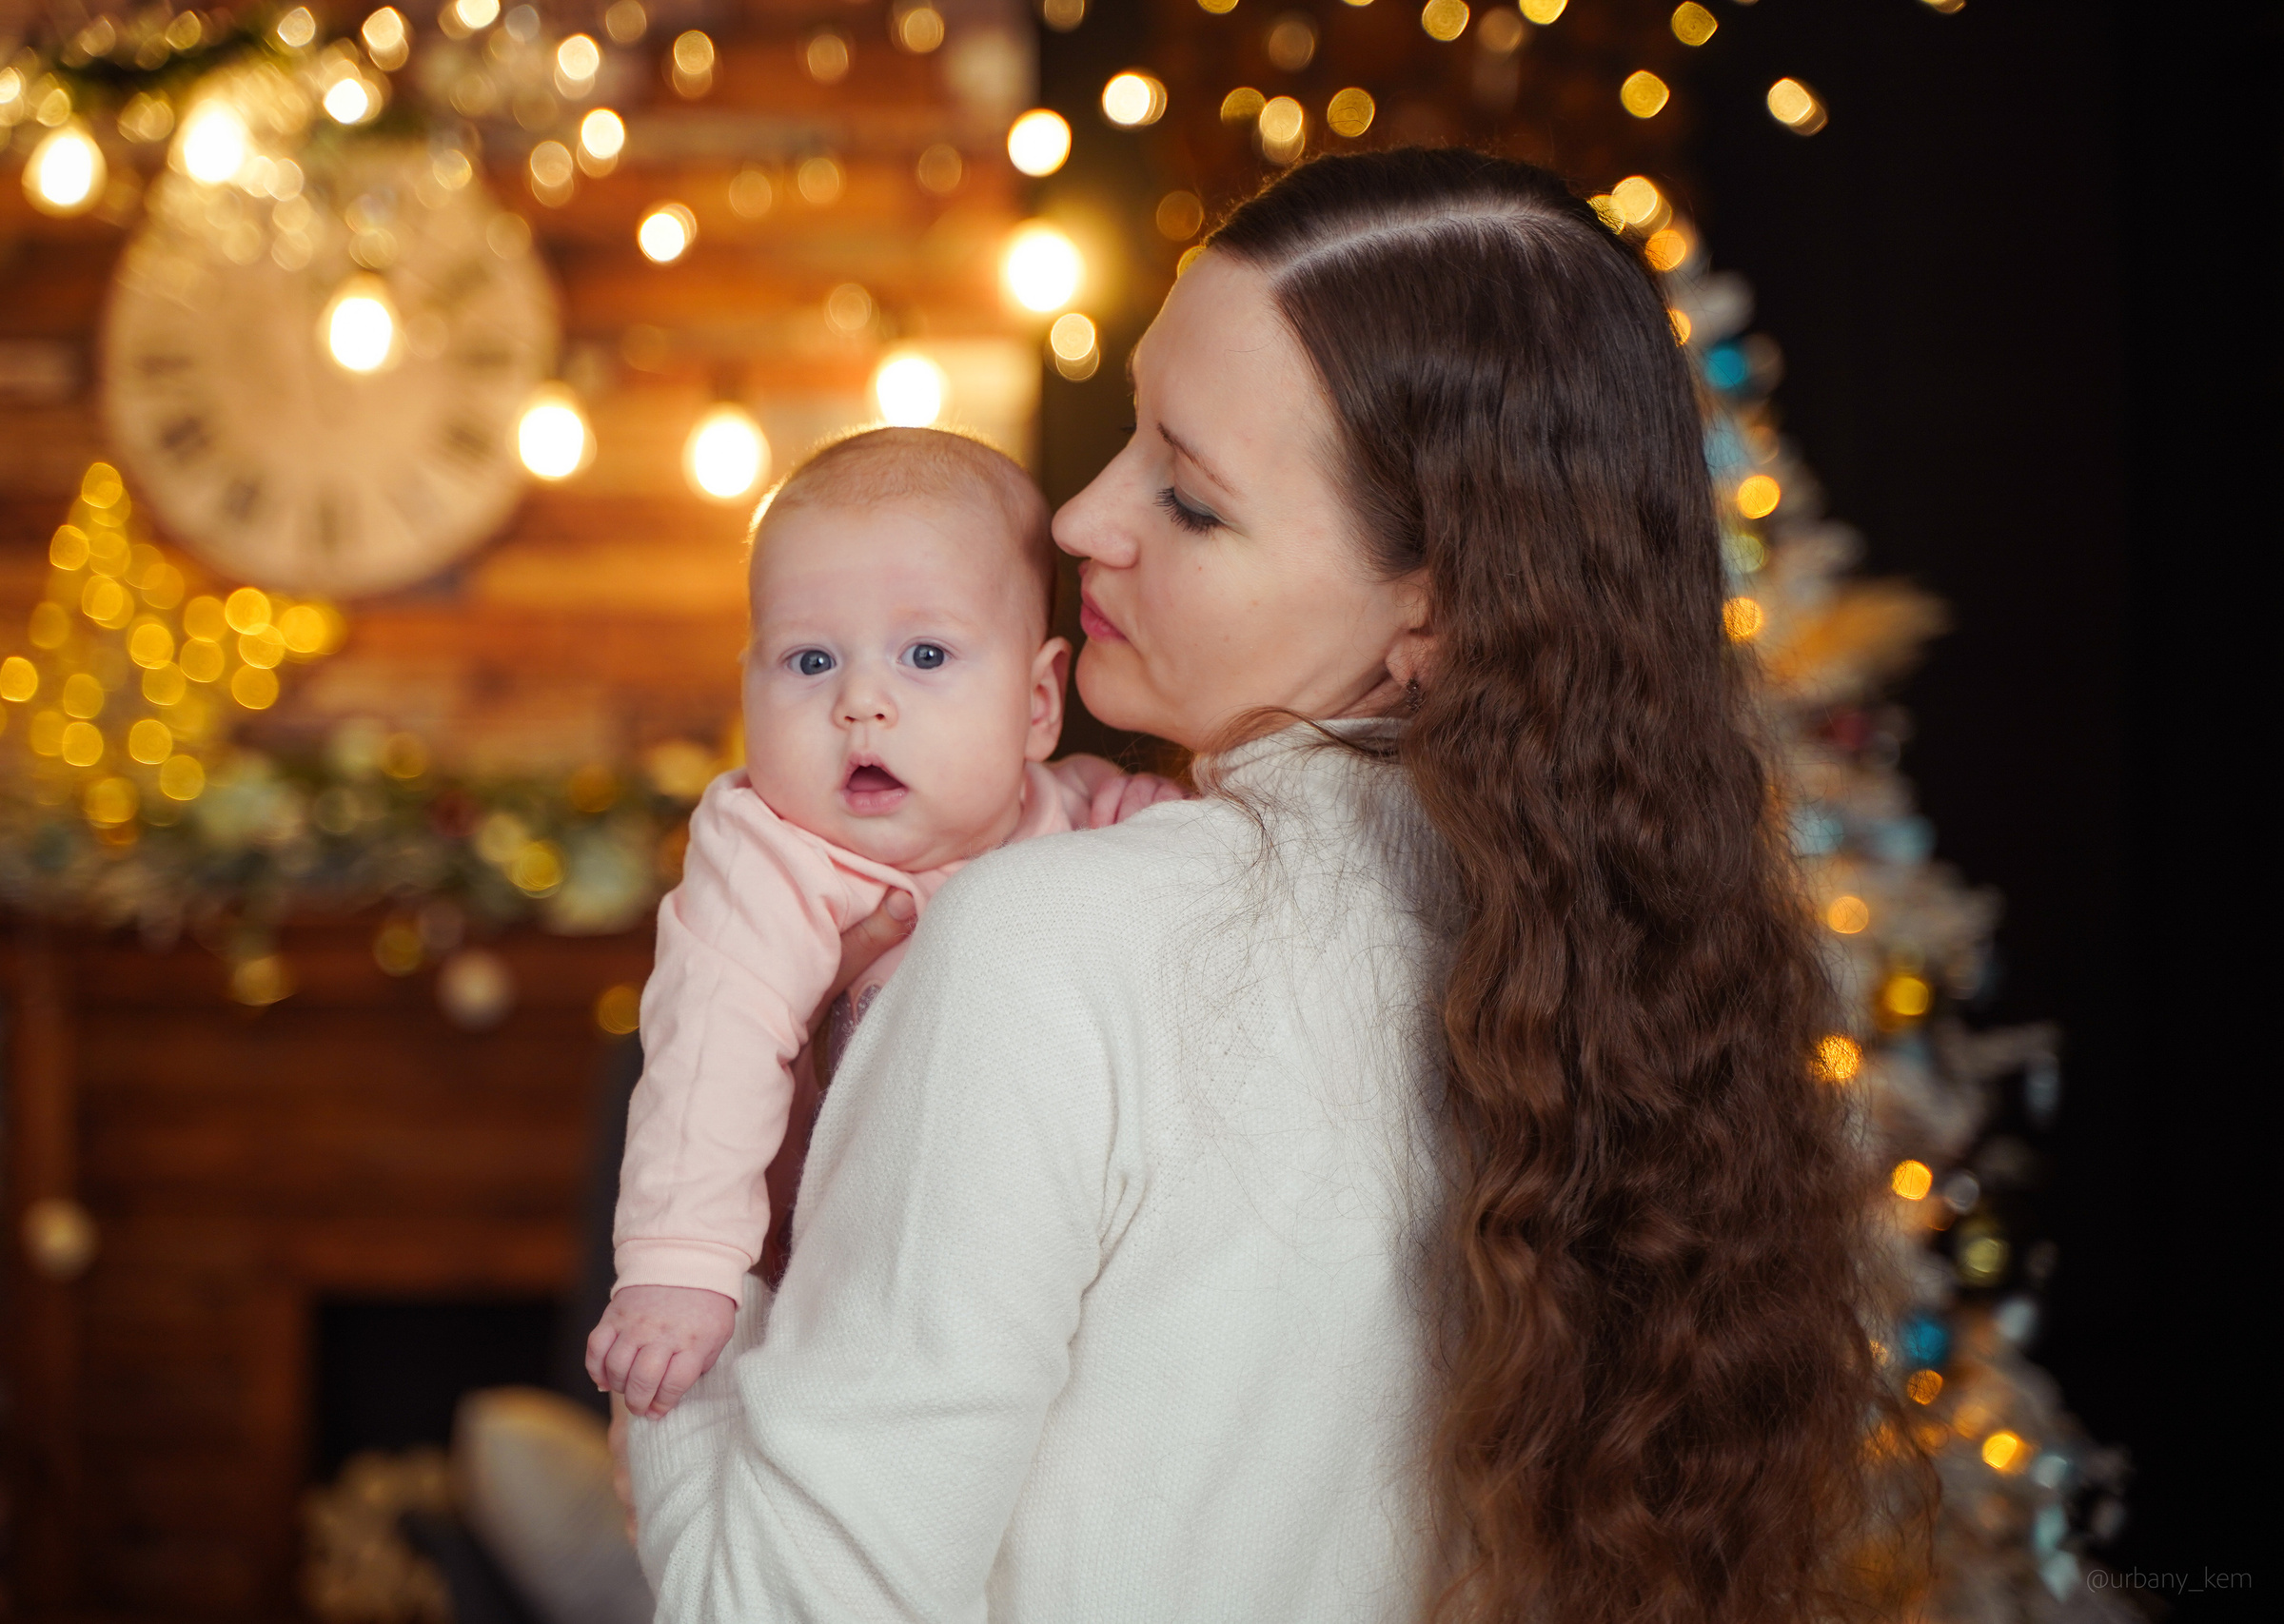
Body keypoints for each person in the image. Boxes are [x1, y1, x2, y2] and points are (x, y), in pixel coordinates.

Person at [625, 149, 1926, 1624]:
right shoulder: (1595, 973)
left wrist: (690, 1322)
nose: (1078, 520)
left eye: (1188, 498)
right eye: (1129, 432)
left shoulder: (1034, 948)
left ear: (1426, 602)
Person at [586, 427, 1182, 1420]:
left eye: (925, 654)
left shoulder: (1076, 817)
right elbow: (711, 1043)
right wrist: (677, 1266)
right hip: (807, 1278)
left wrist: (1146, 822)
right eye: (809, 659)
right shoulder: (768, 849)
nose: (861, 703)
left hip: (1011, 1288)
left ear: (1037, 703)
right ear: (747, 690)